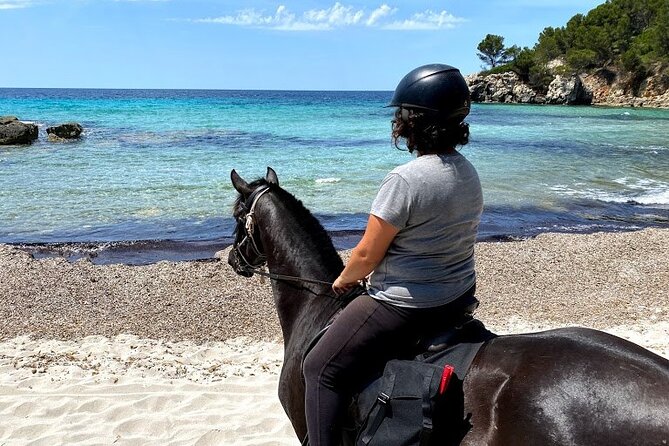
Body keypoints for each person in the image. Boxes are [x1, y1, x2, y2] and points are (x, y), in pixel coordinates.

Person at [302, 64, 483, 446]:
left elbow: (366, 255)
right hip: (457, 295)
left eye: (401, 115)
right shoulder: (467, 171)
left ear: (414, 122)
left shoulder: (404, 179)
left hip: (405, 306)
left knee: (318, 368)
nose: (397, 122)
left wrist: (343, 279)